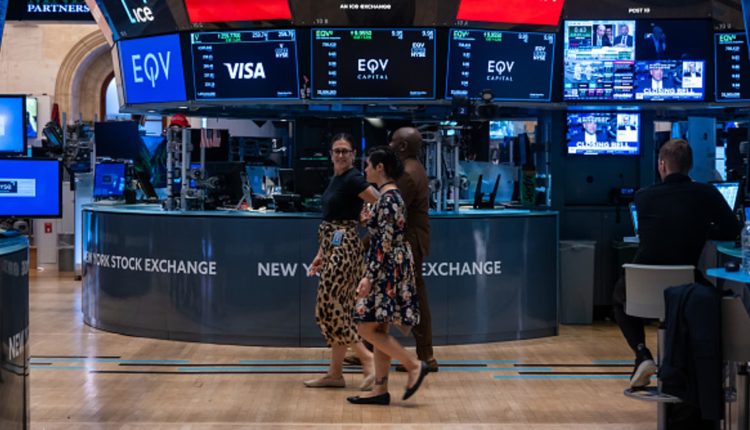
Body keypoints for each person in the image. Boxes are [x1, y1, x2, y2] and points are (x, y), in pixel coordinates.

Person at [612, 139, 740, 389]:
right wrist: (703, 229)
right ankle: (690, 367)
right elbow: (732, 230)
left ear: (662, 165)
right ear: (689, 166)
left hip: (642, 286)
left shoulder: (642, 196)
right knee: (717, 299)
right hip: (685, 286)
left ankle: (642, 354)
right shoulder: (706, 193)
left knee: (618, 297)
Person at [346, 146, 429, 406]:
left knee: (365, 326)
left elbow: (384, 242)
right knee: (379, 327)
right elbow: (385, 231)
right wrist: (368, 220)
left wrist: (368, 277)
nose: (365, 169)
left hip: (385, 270)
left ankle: (413, 365)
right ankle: (380, 389)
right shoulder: (388, 197)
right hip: (390, 267)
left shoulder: (389, 198)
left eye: (368, 165)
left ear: (380, 167)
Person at [305, 133, 379, 391]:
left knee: (329, 308)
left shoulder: (353, 178)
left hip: (344, 250)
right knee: (335, 309)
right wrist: (320, 254)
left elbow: (380, 201)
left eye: (345, 151)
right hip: (333, 247)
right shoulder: (337, 179)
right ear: (330, 154)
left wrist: (368, 219)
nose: (340, 155)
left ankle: (367, 359)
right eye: (336, 150)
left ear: (353, 154)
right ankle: (335, 373)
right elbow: (331, 221)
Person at [389, 127, 437, 373]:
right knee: (389, 293)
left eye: (393, 142)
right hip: (411, 242)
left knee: (415, 297)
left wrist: (361, 244)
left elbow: (392, 214)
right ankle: (369, 348)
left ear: (402, 146)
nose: (389, 145)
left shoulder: (407, 174)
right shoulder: (414, 168)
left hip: (409, 244)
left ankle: (426, 356)